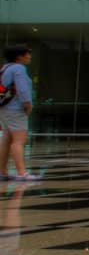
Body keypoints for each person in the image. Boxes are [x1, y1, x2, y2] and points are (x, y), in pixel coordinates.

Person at [0, 45, 38, 181]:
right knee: (19, 141)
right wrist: (27, 104)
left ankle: (2, 171)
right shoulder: (19, 69)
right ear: (19, 56)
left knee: (6, 139)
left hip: (4, 108)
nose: (29, 56)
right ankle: (22, 172)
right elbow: (22, 89)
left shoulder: (5, 68)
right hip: (16, 109)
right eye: (27, 54)